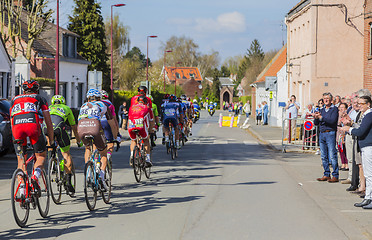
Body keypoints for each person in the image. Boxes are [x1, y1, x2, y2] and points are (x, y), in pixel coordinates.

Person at [10, 80, 54, 195]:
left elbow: (11, 120)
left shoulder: (14, 99)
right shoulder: (40, 98)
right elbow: (49, 123)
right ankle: (35, 176)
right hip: (32, 126)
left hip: (17, 128)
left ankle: (22, 190)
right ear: (37, 90)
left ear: (23, 90)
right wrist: (51, 141)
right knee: (40, 156)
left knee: (21, 160)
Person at [77, 89, 117, 191]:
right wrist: (115, 137)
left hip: (81, 128)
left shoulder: (83, 106)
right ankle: (102, 178)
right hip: (95, 127)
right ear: (99, 98)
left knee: (87, 148)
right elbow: (111, 124)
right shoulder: (103, 105)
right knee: (103, 152)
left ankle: (88, 173)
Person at [43, 95, 81, 193]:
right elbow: (73, 126)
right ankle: (68, 181)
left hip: (46, 129)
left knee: (49, 140)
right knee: (66, 154)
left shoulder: (49, 108)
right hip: (59, 129)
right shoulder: (66, 108)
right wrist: (78, 140)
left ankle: (51, 158)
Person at [341, 96, 372, 209]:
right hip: (365, 146)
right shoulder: (366, 115)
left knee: (369, 174)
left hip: (368, 146)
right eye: (358, 103)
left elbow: (361, 131)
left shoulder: (369, 115)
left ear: (368, 104)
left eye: (362, 104)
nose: (359, 106)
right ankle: (368, 198)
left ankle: (369, 198)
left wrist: (348, 129)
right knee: (368, 174)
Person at [314, 92, 339, 183]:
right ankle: (326, 174)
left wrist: (322, 117)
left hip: (330, 133)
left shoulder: (334, 109)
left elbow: (332, 121)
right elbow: (316, 123)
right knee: (323, 156)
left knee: (332, 155)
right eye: (324, 98)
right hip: (322, 133)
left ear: (331, 99)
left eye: (327, 98)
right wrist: (316, 117)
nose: (325, 100)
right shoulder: (322, 109)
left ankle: (335, 175)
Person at [128, 95, 154, 167]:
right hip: (141, 127)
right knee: (146, 140)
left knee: (133, 141)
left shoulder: (131, 107)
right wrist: (151, 129)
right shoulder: (146, 107)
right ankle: (148, 159)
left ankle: (132, 155)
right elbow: (151, 120)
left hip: (131, 126)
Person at [100, 90, 120, 159]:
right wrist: (116, 134)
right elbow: (114, 119)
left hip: (95, 123)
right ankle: (108, 156)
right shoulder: (109, 104)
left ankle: (95, 160)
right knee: (110, 143)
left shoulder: (94, 103)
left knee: (95, 144)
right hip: (106, 123)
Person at [337, 103, 349, 172]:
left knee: (345, 149)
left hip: (344, 133)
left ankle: (347, 163)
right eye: (340, 107)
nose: (341, 109)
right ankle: (343, 163)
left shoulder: (347, 115)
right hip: (339, 133)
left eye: (343, 107)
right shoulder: (338, 115)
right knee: (340, 149)